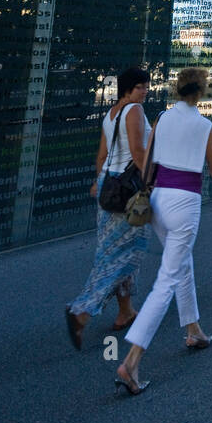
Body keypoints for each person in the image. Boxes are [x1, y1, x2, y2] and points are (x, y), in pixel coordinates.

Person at [115, 66, 212, 395]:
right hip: (184, 203)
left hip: (157, 200)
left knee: (181, 263)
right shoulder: (204, 125)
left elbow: (150, 158)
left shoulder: (163, 118)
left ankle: (193, 329)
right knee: (166, 279)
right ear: (202, 92)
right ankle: (132, 361)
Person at [66, 67, 152, 349]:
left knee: (110, 253)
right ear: (128, 88)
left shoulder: (111, 113)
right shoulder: (134, 111)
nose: (146, 91)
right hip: (127, 192)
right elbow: (139, 152)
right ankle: (82, 311)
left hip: (108, 190)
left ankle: (125, 312)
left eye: (146, 86)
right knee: (127, 255)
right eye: (140, 86)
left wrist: (99, 181)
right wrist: (151, 183)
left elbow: (102, 155)